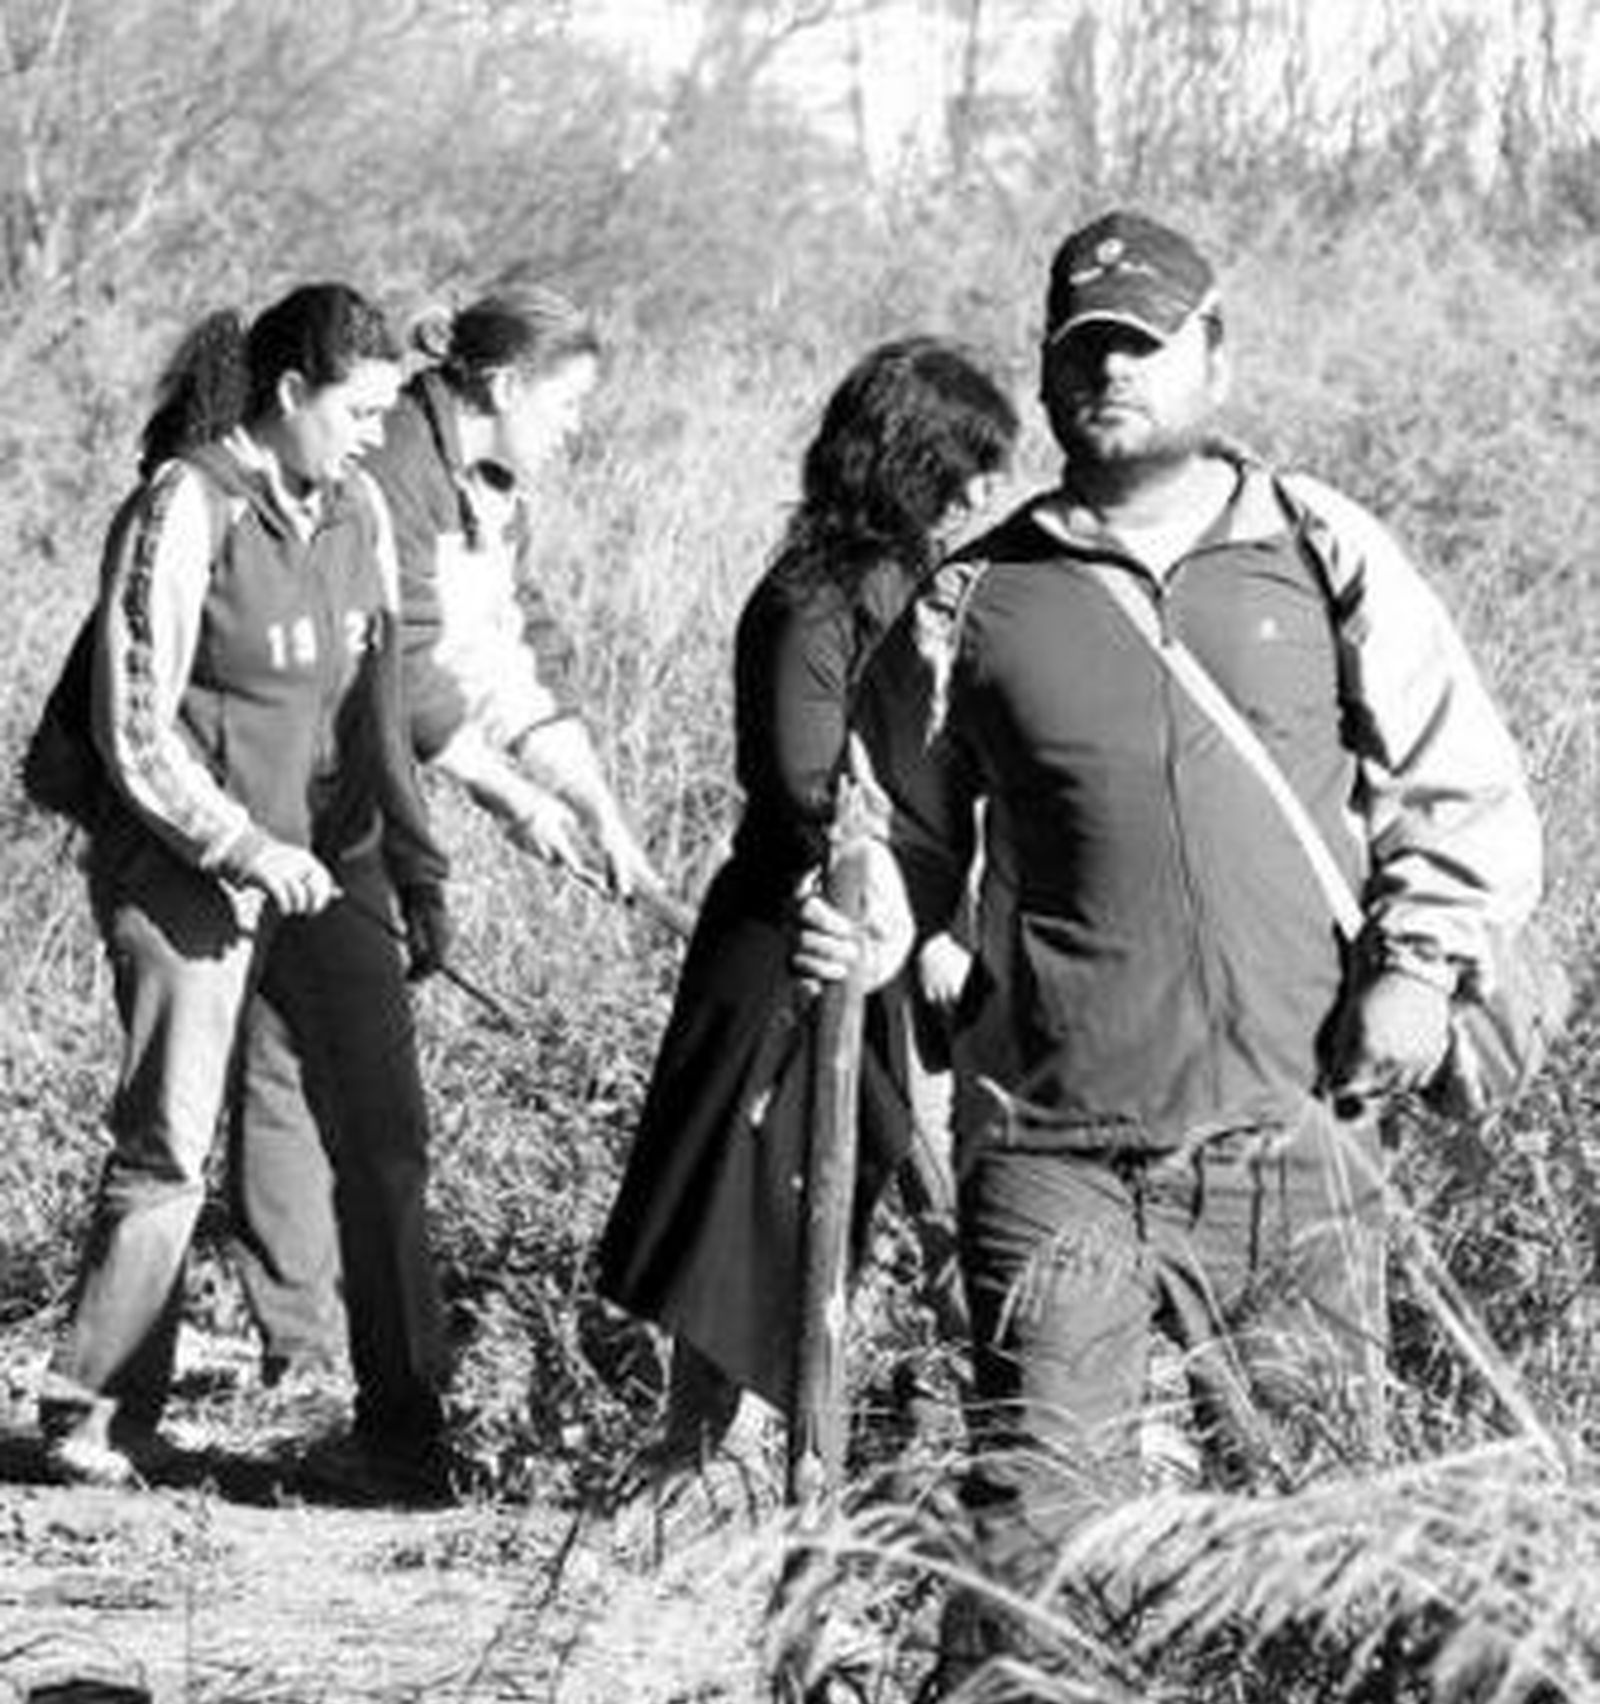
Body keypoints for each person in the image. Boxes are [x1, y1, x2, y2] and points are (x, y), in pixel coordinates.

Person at [796, 209, 1543, 1607]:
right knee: (1034, 1527)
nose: (1111, 374)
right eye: (1085, 350)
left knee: (1318, 1531)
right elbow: (889, 830)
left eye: (1143, 345)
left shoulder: (1323, 551)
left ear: (1214, 356)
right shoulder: (973, 597)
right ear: (1047, 369)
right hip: (1051, 1145)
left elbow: (1464, 784)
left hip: (1292, 1136)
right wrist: (876, 924)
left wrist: (1425, 965)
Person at [232, 276, 666, 1497]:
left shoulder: (491, 493)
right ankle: (386, 1414)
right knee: (363, 1112)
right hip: (304, 807)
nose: (575, 426)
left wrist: (601, 813)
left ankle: (308, 1362)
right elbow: (411, 678)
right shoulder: (393, 468)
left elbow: (506, 655)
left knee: (285, 1069)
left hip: (343, 806)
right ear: (505, 385)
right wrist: (506, 797)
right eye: (567, 401)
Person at [36, 282, 446, 1490]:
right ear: (289, 396)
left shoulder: (360, 505)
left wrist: (415, 869)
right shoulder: (184, 507)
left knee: (387, 1139)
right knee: (169, 1142)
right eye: (359, 409)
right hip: (189, 876)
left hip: (338, 870)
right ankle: (96, 1415)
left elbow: (377, 716)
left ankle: (405, 1426)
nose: (377, 433)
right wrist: (244, 849)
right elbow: (134, 727)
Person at [593, 335, 1019, 1483]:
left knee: (900, 1199)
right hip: (797, 945)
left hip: (880, 949)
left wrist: (940, 919)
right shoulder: (819, 598)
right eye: (970, 464)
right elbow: (807, 783)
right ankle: (702, 1472)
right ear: (910, 460)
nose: (989, 490)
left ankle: (950, 1452)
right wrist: (906, 915)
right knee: (748, 1217)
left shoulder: (909, 589)